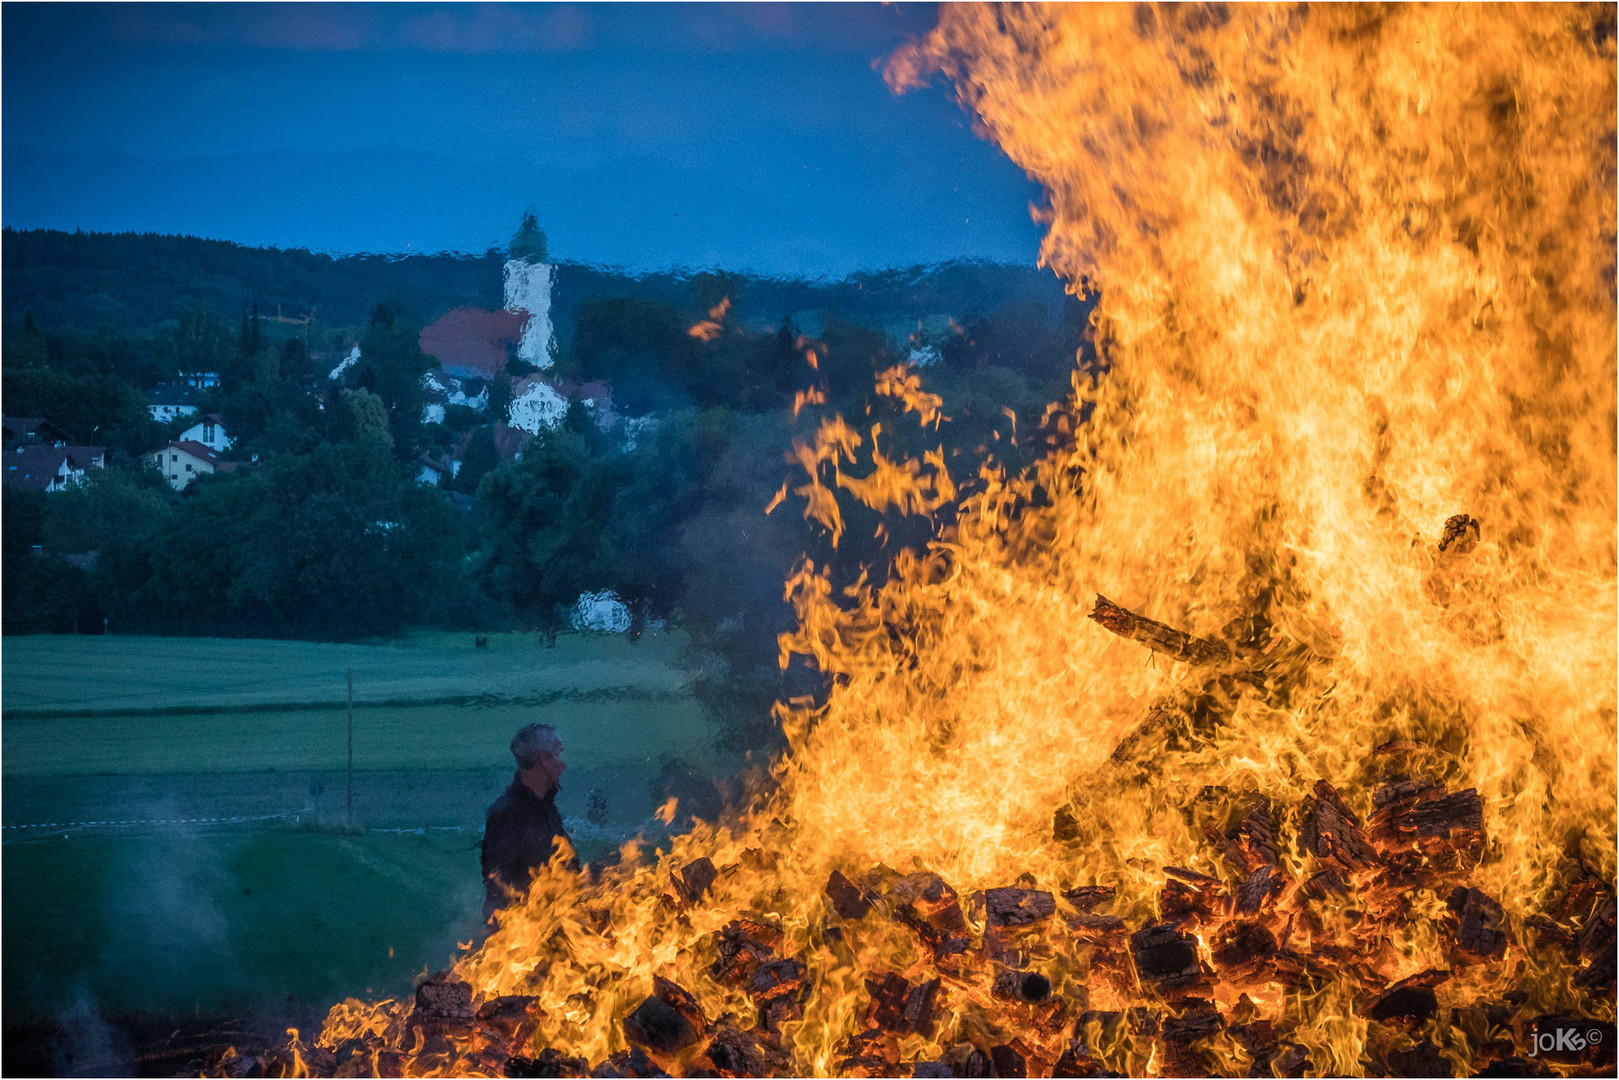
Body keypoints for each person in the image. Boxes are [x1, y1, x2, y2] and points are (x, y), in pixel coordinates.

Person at [481, 722, 578, 921]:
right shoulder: (509, 813)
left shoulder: (546, 807)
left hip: (559, 919)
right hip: (528, 929)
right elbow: (496, 883)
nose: (564, 764)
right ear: (543, 760)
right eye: (558, 755)